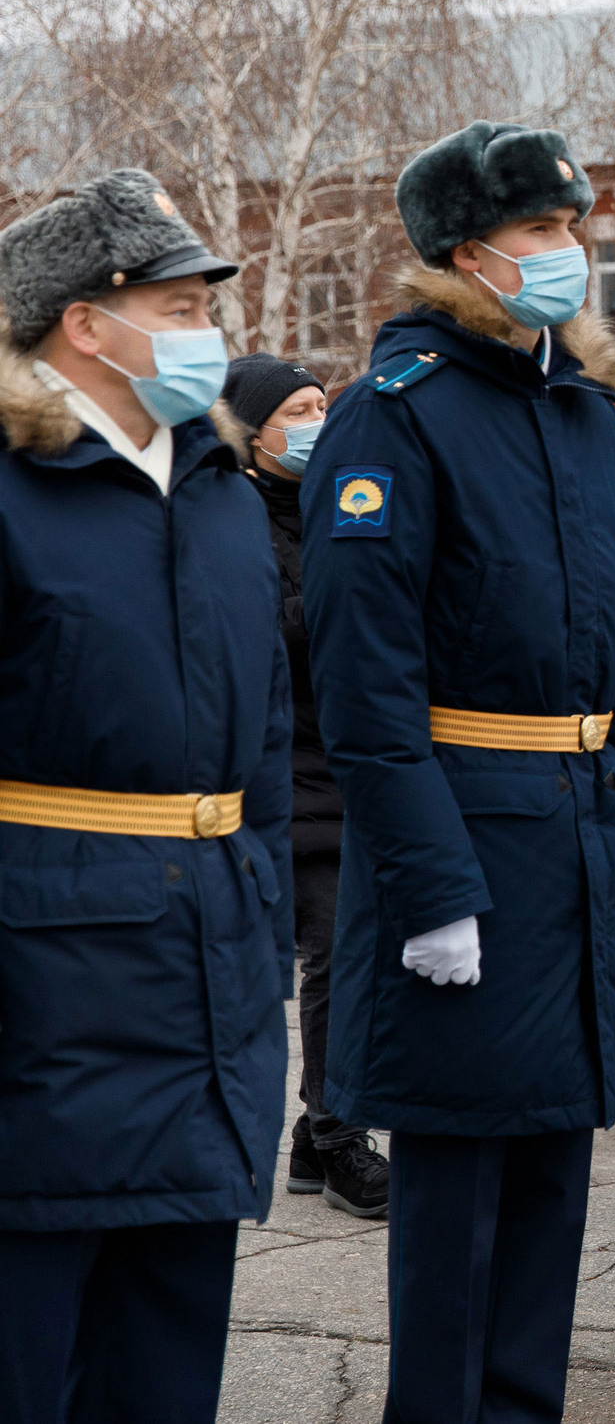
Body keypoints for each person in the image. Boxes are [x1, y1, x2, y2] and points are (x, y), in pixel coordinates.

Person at [300, 121, 615, 1423]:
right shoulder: (393, 416)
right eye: (542, 232)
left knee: (552, 1178)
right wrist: (430, 886)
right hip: (467, 840)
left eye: (576, 227)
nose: (572, 253)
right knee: (459, 1196)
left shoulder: (584, 414)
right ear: (469, 252)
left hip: (579, 833)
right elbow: (365, 687)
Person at [0, 170, 293, 1423]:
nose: (205, 336)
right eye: (178, 306)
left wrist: (262, 904)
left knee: (171, 1330)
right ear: (85, 321)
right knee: (31, 1333)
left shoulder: (217, 486)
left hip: (209, 956)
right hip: (46, 974)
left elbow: (264, 736)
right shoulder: (16, 484)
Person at [216, 352, 392, 1223]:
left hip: (348, 759)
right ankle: (337, 1132)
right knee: (335, 951)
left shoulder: (335, 504)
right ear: (252, 436)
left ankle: (315, 1133)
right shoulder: (237, 512)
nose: (318, 421)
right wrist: (344, 596)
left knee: (357, 951)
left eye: (325, 402)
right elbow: (265, 629)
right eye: (298, 410)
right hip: (289, 769)